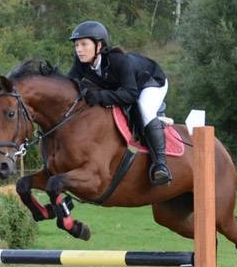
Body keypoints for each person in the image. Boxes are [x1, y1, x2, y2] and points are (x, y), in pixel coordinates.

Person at [67, 20, 172, 186]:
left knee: (144, 111)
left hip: (151, 81)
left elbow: (130, 95)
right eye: (76, 45)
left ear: (99, 45)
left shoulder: (118, 60)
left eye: (84, 44)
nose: (79, 49)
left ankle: (161, 165)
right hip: (128, 86)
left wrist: (99, 96)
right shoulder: (81, 63)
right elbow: (69, 85)